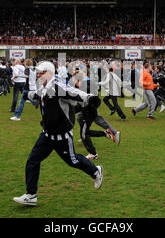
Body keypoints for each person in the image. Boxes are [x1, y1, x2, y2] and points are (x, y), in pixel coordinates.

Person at [13, 61, 103, 206]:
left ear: (49, 72)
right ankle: (31, 195)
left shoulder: (57, 86)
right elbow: (39, 95)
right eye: (37, 72)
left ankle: (95, 171)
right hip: (47, 135)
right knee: (32, 161)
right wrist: (28, 95)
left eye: (41, 72)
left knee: (73, 161)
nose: (38, 75)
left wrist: (89, 98)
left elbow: (74, 92)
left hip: (62, 136)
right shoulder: (45, 86)